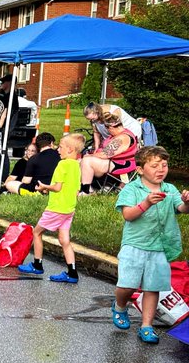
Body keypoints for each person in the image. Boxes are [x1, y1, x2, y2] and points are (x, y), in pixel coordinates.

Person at [111, 146, 189, 345]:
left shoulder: (169, 189)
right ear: (140, 169)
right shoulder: (132, 189)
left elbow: (181, 208)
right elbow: (128, 215)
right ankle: (120, 305)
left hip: (160, 246)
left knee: (152, 288)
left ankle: (146, 326)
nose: (161, 169)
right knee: (127, 285)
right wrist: (146, 203)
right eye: (154, 166)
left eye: (164, 165)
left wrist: (187, 202)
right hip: (135, 244)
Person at [18, 133, 86, 284]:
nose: (57, 149)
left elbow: (57, 187)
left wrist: (43, 186)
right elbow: (76, 189)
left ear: (69, 149)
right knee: (64, 240)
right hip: (69, 208)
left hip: (56, 208)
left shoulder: (62, 165)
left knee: (36, 232)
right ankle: (72, 272)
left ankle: (37, 264)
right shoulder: (77, 165)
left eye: (60, 147)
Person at [80, 111, 137, 192]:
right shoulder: (116, 135)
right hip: (113, 162)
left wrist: (90, 155)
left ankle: (86, 191)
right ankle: (79, 187)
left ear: (111, 127)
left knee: (87, 160)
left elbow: (105, 154)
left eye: (107, 129)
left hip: (122, 165)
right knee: (79, 161)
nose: (107, 131)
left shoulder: (123, 137)